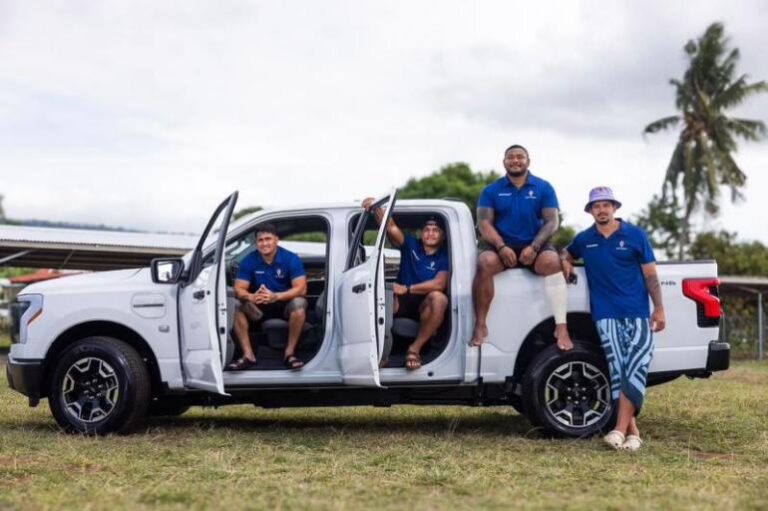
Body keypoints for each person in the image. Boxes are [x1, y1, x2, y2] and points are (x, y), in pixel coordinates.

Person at [562, 187, 665, 451]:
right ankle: (632, 433)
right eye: (596, 206)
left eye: (606, 205)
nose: (602, 210)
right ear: (590, 211)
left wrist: (659, 309)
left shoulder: (635, 235)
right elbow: (567, 252)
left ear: (614, 208)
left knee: (638, 366)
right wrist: (566, 262)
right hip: (605, 314)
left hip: (637, 313)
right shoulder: (585, 239)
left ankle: (618, 429)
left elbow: (650, 275)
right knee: (618, 372)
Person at [471, 144, 573, 351]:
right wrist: (500, 247)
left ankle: (561, 327)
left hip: (535, 245)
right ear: (504, 162)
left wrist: (534, 247)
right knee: (484, 262)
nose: (515, 160)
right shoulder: (491, 190)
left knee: (552, 263)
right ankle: (480, 324)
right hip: (502, 246)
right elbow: (484, 224)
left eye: (520, 157)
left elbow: (552, 222)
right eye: (511, 157)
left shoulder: (544, 187)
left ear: (528, 161)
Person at [361, 198, 450, 370]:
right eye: (427, 230)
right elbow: (391, 227)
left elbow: (439, 284)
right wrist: (376, 207)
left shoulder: (445, 256)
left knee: (439, 299)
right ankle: (380, 353)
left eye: (435, 230)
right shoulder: (412, 245)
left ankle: (414, 350)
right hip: (402, 300)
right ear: (421, 233)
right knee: (382, 299)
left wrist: (408, 288)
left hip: (424, 302)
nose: (430, 233)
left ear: (443, 235)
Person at [227, 223, 309, 371]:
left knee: (299, 304)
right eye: (260, 240)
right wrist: (251, 297)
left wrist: (276, 296)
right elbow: (239, 289)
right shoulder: (249, 260)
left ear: (276, 240)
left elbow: (301, 288)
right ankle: (248, 355)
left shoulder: (291, 258)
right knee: (235, 304)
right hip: (258, 309)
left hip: (285, 305)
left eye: (268, 239)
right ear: (256, 243)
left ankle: (289, 354)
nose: (264, 243)